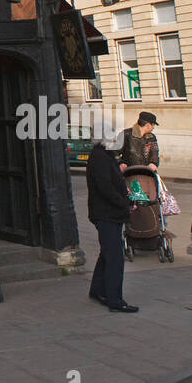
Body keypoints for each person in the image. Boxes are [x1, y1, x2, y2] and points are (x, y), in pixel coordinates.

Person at [86, 125, 138, 312]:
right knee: (115, 257)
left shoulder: (106, 156)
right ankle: (115, 300)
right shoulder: (100, 157)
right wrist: (123, 202)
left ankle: (98, 289)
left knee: (107, 252)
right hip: (106, 213)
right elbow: (105, 187)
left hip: (110, 213)